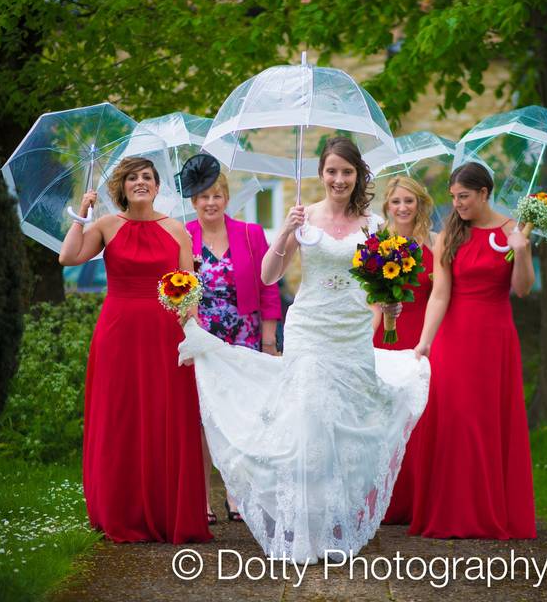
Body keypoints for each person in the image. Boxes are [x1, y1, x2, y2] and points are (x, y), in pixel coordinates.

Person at [176, 137, 429, 563]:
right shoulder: (304, 217)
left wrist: (391, 302)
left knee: (345, 427)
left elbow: (381, 285)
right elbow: (268, 275)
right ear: (321, 174)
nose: (339, 179)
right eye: (332, 171)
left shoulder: (373, 225)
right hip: (310, 332)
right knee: (310, 423)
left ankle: (334, 523)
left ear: (357, 175)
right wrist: (286, 234)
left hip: (351, 335)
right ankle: (302, 531)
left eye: (346, 172)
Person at [59, 156, 212, 544]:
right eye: (132, 178)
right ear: (123, 188)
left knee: (165, 415)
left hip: (165, 334)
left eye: (147, 177)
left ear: (158, 187)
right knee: (121, 415)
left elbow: (189, 290)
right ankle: (121, 508)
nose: (140, 182)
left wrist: (191, 327)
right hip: (118, 333)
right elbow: (68, 257)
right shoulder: (106, 226)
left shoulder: (177, 230)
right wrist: (81, 212)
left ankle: (164, 508)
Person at [410, 161, 537, 539]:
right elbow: (440, 293)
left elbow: (524, 289)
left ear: (484, 193)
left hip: (495, 338)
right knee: (455, 420)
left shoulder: (513, 231)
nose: (457, 204)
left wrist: (523, 251)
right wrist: (425, 340)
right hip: (455, 336)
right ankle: (453, 513)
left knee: (488, 422)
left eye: (464, 197)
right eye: (453, 197)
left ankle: (489, 514)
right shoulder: (448, 236)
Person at [181, 155, 282, 524]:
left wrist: (270, 342)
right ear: (193, 202)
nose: (210, 202)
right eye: (203, 196)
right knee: (204, 417)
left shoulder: (250, 234)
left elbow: (269, 287)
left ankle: (237, 495)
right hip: (202, 335)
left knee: (243, 415)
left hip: (244, 335)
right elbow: (173, 289)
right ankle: (203, 498)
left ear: (226, 198)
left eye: (217, 195)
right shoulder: (182, 236)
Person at [371, 176, 436, 525]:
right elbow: (370, 302)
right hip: (386, 335)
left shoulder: (435, 243)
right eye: (396, 201)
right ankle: (385, 500)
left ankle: (415, 501)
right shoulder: (378, 245)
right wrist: (366, 341)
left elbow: (442, 295)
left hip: (422, 337)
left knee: (418, 417)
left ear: (420, 204)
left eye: (409, 201)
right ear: (387, 206)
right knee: (385, 417)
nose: (403, 207)